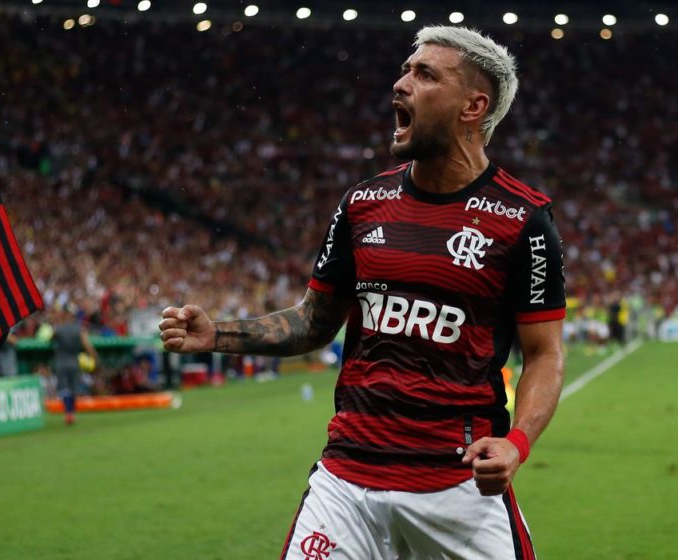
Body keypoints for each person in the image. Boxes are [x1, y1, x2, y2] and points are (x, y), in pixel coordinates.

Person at [160, 26, 565, 559]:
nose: (400, 84)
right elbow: (313, 321)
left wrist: (517, 443)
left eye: (424, 74)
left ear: (474, 106)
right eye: (404, 69)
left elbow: (544, 355)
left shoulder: (524, 220)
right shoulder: (363, 203)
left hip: (458, 486)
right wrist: (219, 335)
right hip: (347, 481)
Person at [52, 305, 98, 426]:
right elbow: (88, 346)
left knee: (64, 389)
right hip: (74, 362)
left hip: (61, 362)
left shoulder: (59, 329)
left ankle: (68, 413)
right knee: (73, 389)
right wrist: (95, 358)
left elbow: (50, 338)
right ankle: (71, 413)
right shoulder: (79, 329)